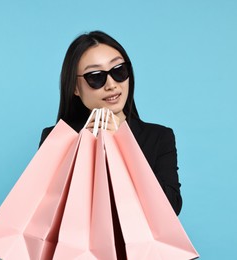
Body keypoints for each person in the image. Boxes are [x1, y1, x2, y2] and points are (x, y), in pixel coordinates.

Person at [39, 30, 182, 215]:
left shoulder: (159, 137)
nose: (111, 84)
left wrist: (123, 145)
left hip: (136, 245)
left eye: (119, 71)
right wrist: (80, 149)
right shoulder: (57, 138)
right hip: (76, 244)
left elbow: (170, 208)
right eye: (96, 76)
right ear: (75, 87)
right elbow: (45, 213)